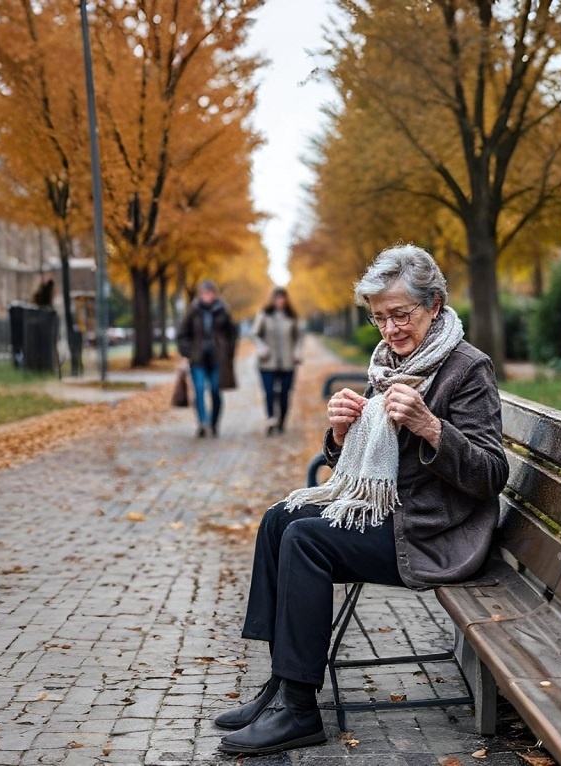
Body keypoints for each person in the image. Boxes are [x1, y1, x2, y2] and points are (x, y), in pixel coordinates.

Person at [215, 244, 509, 756]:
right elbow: (360, 465)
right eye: (379, 319)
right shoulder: (391, 363)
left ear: (434, 305)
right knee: (279, 518)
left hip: (436, 533)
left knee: (307, 539)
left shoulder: (467, 369)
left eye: (401, 315)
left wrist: (432, 427)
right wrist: (338, 432)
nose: (391, 330)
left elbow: (491, 475)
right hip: (395, 514)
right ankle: (281, 685)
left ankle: (300, 712)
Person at [177, 280, 237, 438]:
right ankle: (203, 422)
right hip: (198, 358)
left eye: (210, 293)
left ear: (215, 294)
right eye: (204, 293)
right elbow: (183, 333)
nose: (207, 296)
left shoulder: (223, 310)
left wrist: (228, 353)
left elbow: (232, 334)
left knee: (216, 391)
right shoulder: (193, 311)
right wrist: (186, 352)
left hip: (217, 358)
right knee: (199, 390)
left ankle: (214, 422)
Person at [251, 287, 302, 435]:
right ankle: (271, 419)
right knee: (269, 393)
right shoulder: (264, 315)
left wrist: (296, 353)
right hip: (267, 362)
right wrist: (261, 347)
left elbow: (298, 338)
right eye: (277, 299)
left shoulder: (291, 316)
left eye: (282, 299)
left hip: (287, 363)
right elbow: (255, 334)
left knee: (285, 394)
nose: (280, 301)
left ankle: (281, 421)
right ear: (273, 300)